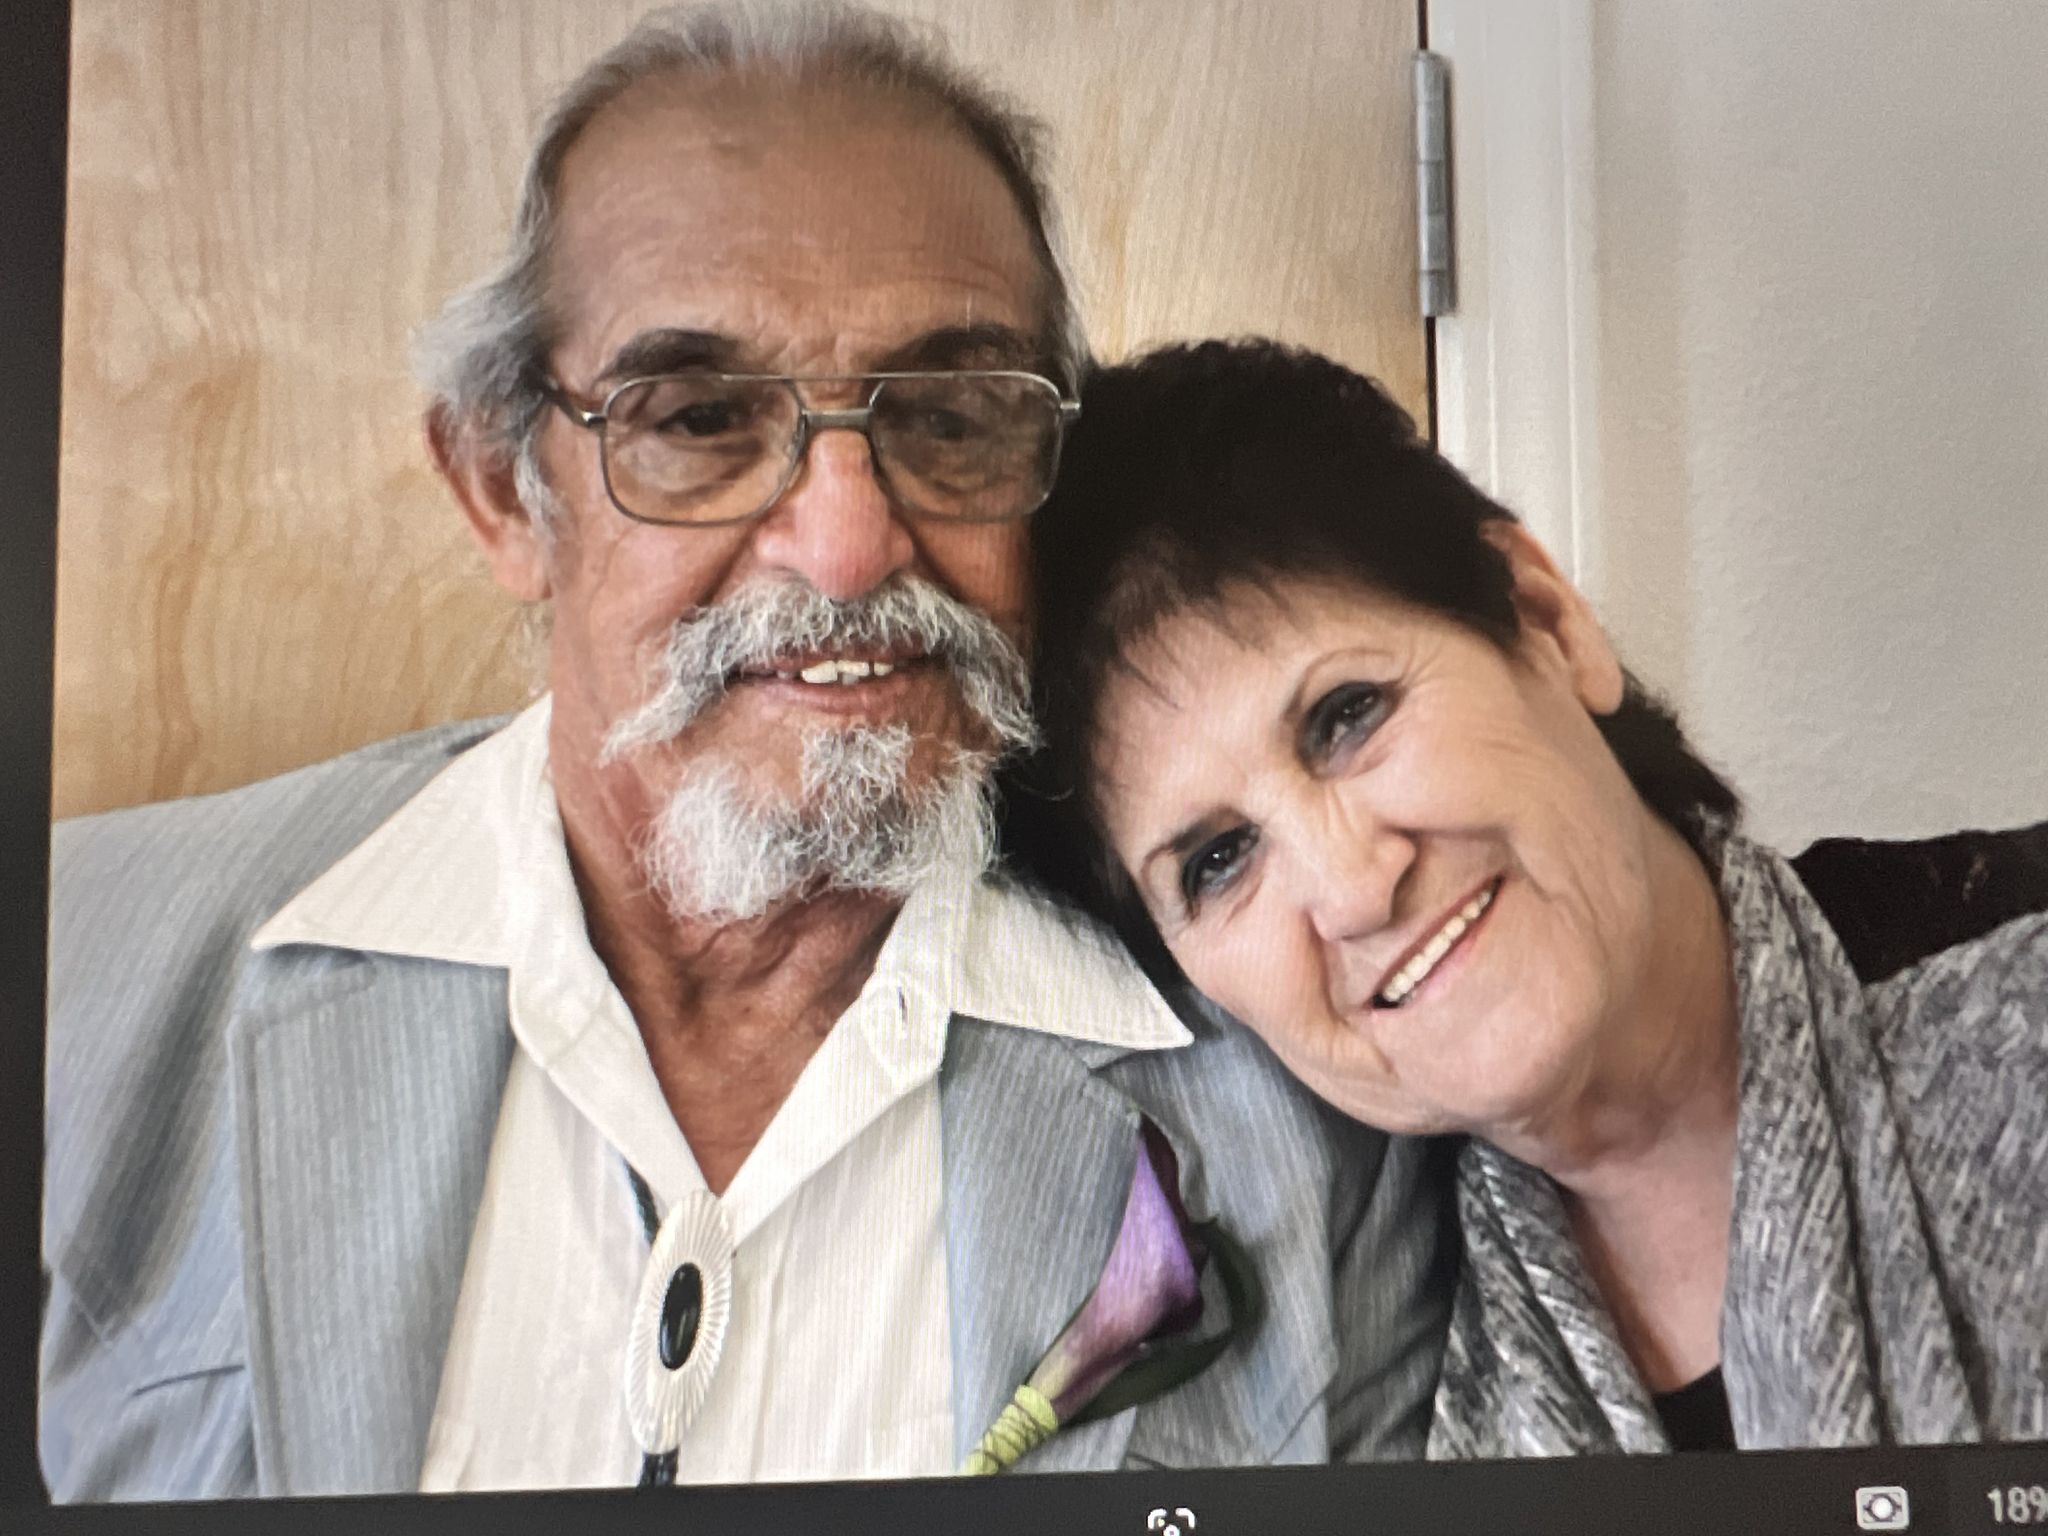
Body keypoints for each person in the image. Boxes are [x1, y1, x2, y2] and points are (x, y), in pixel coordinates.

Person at [37, 8, 1454, 1500]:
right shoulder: (78, 976)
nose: (846, 547)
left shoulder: (1304, 1101)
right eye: (701, 417)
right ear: (506, 491)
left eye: (950, 416)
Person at [1023, 338, 2048, 1455]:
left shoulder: (2011, 989)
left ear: (1549, 622)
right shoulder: (1361, 1371)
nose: (1354, 888)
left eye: (1347, 715)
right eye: (1218, 861)